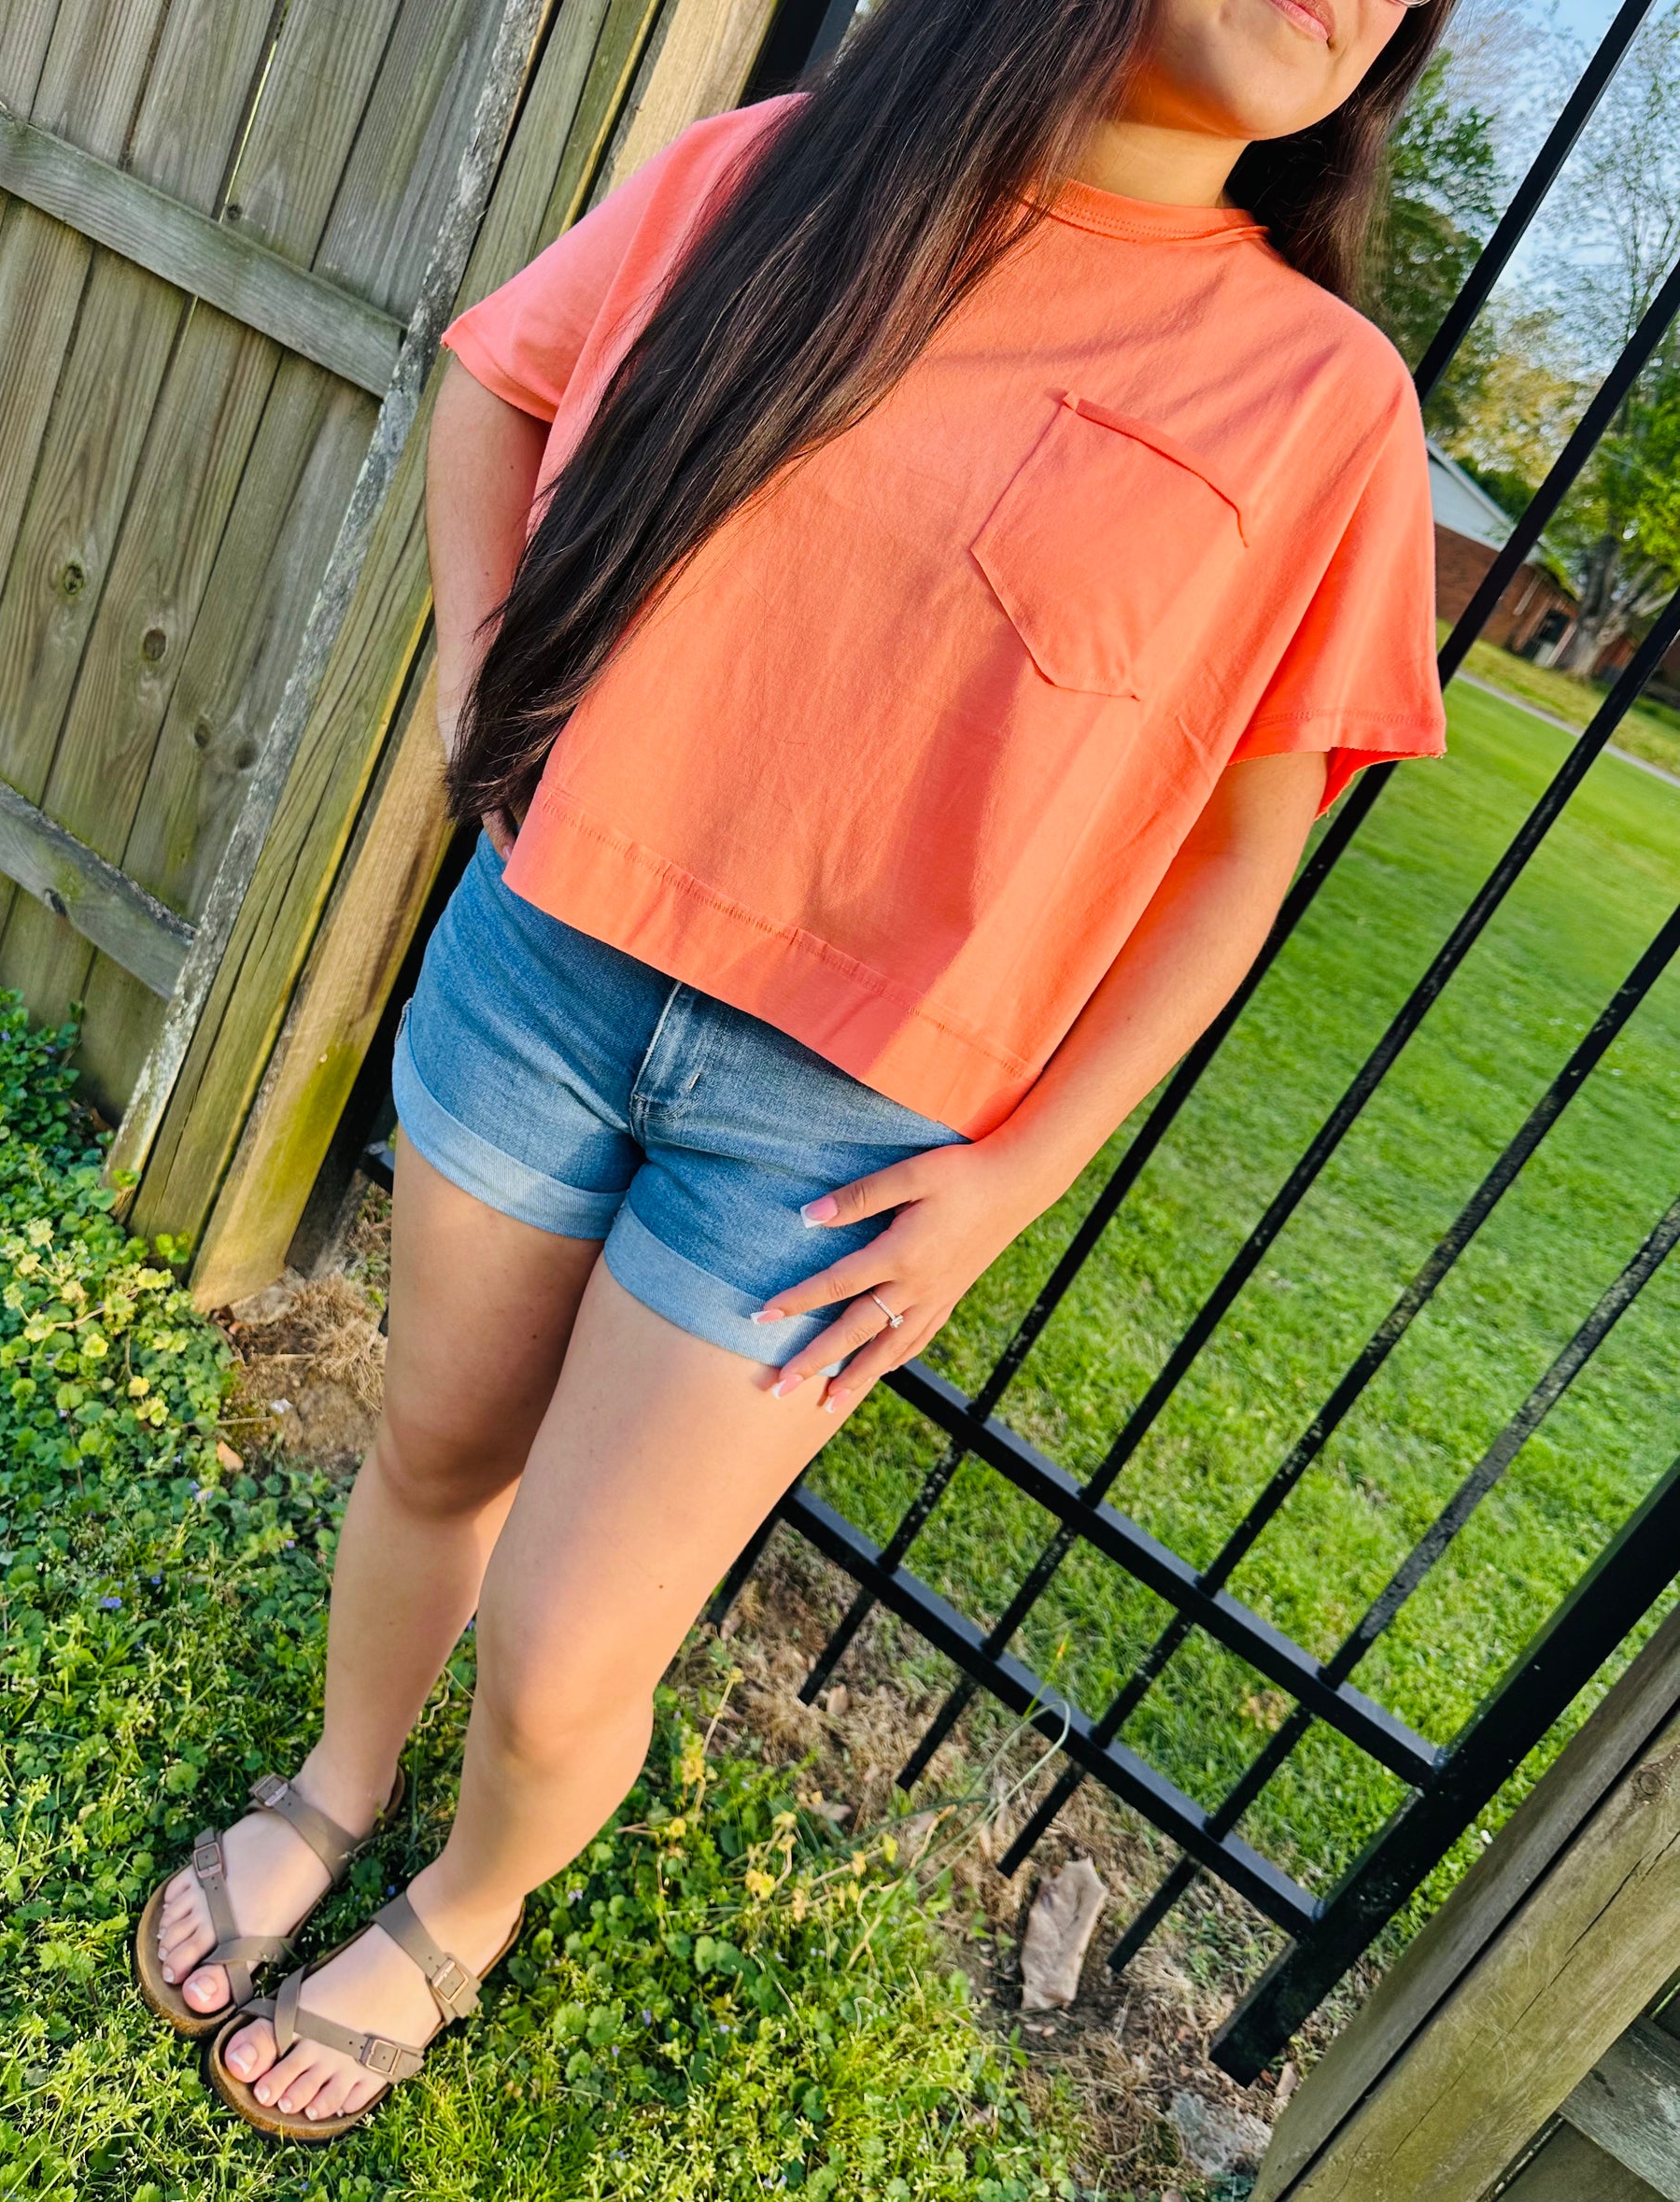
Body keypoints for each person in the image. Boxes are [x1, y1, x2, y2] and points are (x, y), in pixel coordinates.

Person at [139, 0, 1450, 2138]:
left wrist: (1005, 1182)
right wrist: (491, 697)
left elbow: (1236, 862)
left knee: (569, 1645)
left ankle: (461, 1915)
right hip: (539, 973)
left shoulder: (1321, 400)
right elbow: (496, 372)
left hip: (839, 1142)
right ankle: (334, 1780)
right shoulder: (779, 179)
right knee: (435, 1450)